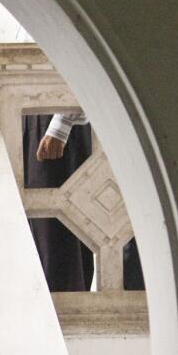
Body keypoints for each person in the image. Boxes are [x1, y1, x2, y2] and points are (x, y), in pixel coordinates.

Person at [33, 111, 145, 291]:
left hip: (62, 125)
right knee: (41, 236)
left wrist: (61, 124)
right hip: (34, 117)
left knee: (60, 240)